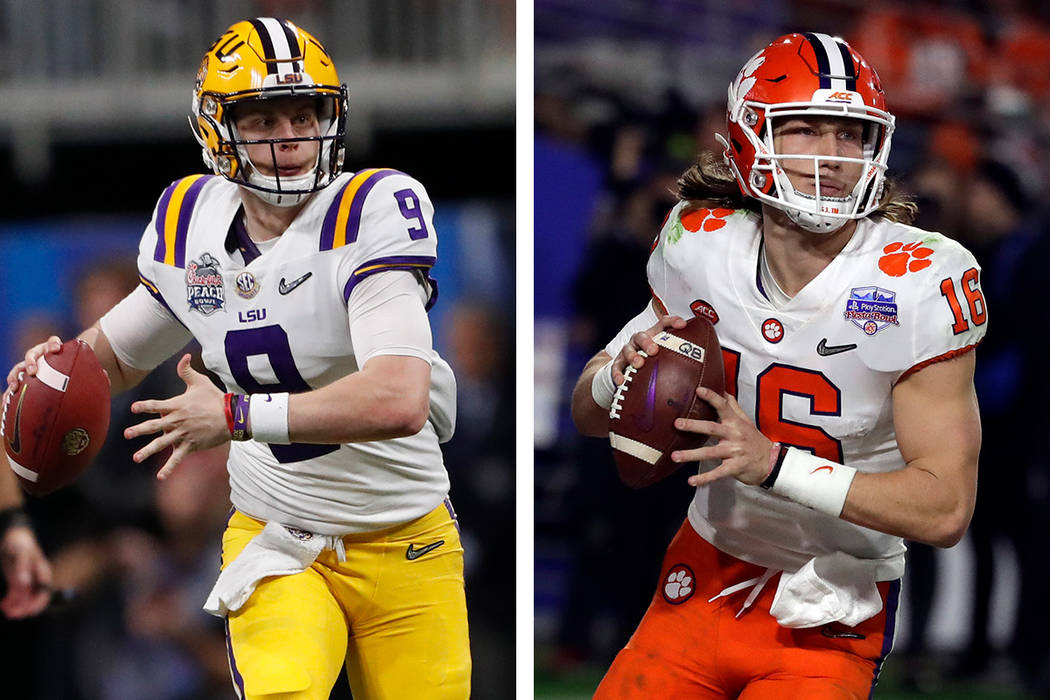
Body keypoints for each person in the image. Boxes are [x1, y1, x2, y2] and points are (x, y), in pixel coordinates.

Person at [6, 17, 469, 700]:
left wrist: (235, 413)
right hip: (278, 536)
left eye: (303, 114)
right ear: (216, 132)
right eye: (261, 120)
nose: (288, 137)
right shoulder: (190, 220)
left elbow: (398, 400)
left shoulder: (369, 209)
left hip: (405, 532)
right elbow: (114, 360)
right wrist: (53, 371)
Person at [572, 32, 985, 698]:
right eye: (805, 130)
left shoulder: (923, 280)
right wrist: (614, 377)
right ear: (748, 140)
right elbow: (589, 413)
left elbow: (945, 509)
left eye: (850, 135)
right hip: (701, 576)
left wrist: (774, 464)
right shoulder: (699, 242)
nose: (832, 157)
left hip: (831, 605)